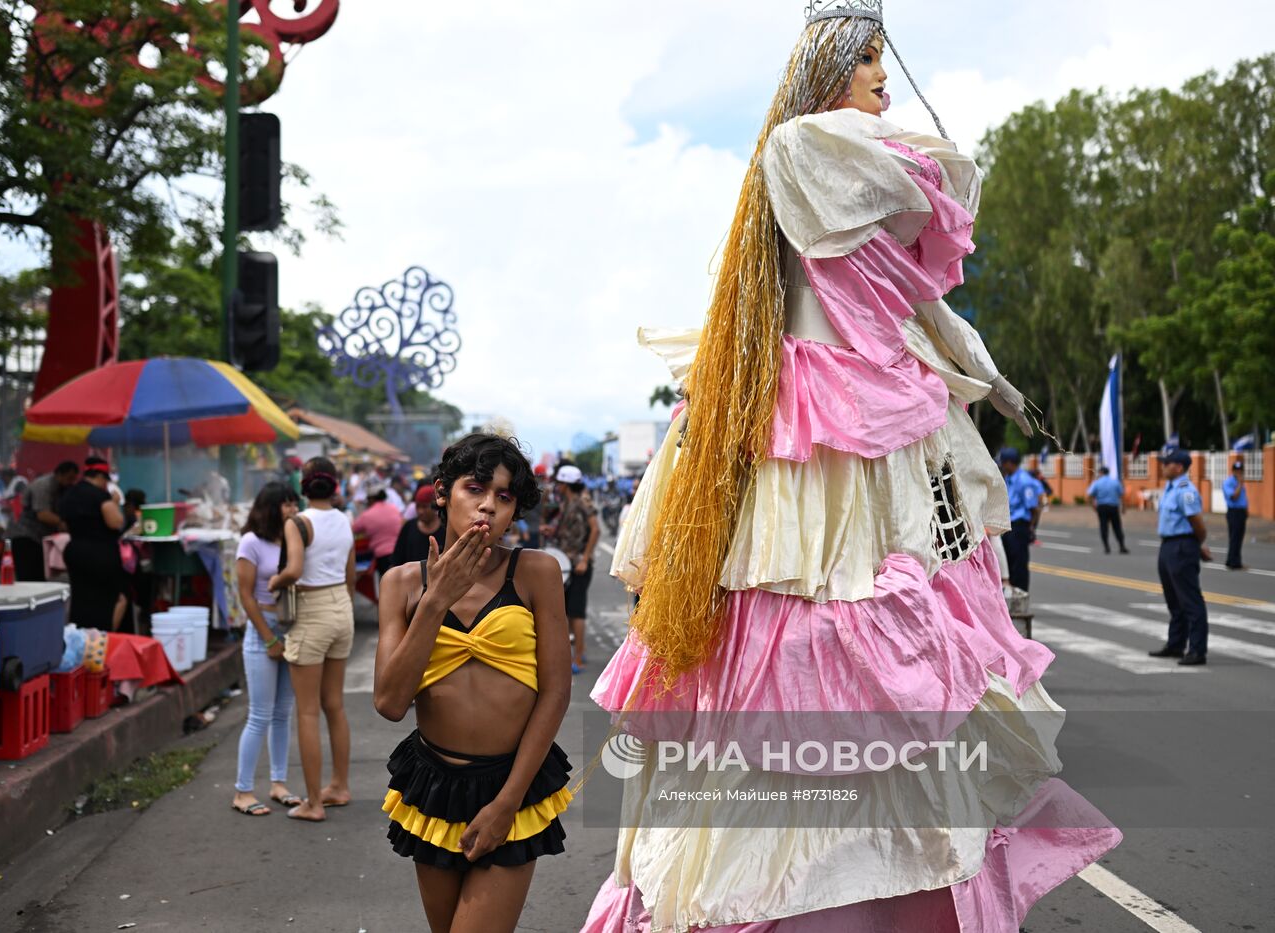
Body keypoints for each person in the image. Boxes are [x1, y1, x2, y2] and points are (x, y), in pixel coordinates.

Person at [580, 4, 1120, 928]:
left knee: (881, 626)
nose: (882, 74)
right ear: (825, 68)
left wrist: (985, 379)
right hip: (817, 422)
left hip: (880, 409)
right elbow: (943, 174)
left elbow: (927, 302)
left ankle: (879, 857)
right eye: (865, 58)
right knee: (810, 614)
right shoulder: (802, 149)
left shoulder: (836, 165)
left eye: (881, 56)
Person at [373, 433, 570, 933]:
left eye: (504, 497)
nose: (488, 505)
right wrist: (435, 601)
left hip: (511, 783)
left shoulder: (536, 572)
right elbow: (390, 701)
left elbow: (555, 692)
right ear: (442, 492)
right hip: (434, 786)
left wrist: (507, 801)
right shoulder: (401, 583)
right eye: (475, 488)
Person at [268, 457, 356, 823]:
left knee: (306, 711)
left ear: (303, 484)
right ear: (334, 485)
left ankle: (314, 803)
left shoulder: (298, 522)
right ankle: (338, 786)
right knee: (333, 705)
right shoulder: (344, 520)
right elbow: (350, 575)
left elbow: (294, 570)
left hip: (312, 610)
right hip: (341, 607)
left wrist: (273, 584)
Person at [232, 483, 302, 817]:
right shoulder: (251, 542)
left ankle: (279, 783)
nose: (291, 509)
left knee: (282, 713)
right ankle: (242, 791)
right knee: (259, 714)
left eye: (294, 503)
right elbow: (245, 596)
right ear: (269, 507)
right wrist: (268, 639)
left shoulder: (293, 540)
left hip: (290, 628)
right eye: (285, 504)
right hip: (263, 632)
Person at [1149, 449, 1210, 666]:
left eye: (1167, 463)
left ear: (1179, 467)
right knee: (1174, 600)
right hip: (1168, 546)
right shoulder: (1170, 487)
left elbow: (1198, 524)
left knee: (1190, 600)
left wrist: (1197, 544)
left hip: (1182, 546)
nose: (1163, 466)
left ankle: (1197, 650)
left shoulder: (1185, 490)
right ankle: (1176, 644)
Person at [59, 457, 127, 631]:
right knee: (115, 598)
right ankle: (104, 641)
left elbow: (64, 522)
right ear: (100, 477)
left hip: (75, 552)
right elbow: (115, 522)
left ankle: (81, 640)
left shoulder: (69, 494)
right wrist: (114, 503)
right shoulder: (100, 495)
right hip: (100, 553)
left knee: (82, 599)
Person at [550, 464, 598, 675]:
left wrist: (585, 559)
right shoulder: (567, 503)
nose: (556, 486)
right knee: (568, 610)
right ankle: (575, 651)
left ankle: (579, 656)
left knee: (576, 612)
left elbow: (596, 529)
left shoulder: (582, 501)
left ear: (565, 484)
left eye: (559, 483)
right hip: (567, 564)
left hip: (578, 565)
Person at [12, 461, 80, 581]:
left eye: (74, 479)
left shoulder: (62, 488)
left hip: (41, 539)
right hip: (26, 537)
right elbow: (43, 514)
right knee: (29, 579)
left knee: (40, 579)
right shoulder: (43, 485)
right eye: (69, 478)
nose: (71, 482)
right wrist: (62, 523)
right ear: (59, 474)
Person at [998, 448, 1042, 591]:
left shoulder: (1024, 481)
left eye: (1003, 463)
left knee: (1019, 563)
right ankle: (1011, 594)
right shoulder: (1009, 478)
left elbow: (1034, 509)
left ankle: (1021, 593)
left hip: (1019, 525)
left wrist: (1031, 528)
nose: (1002, 466)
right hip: (1009, 525)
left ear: (1010, 463)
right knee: (1009, 562)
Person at [382, 484, 447, 574]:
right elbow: (397, 560)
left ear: (434, 505)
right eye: (418, 507)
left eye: (424, 507)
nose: (420, 511)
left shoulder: (445, 528)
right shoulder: (409, 527)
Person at [353, 479, 406, 579]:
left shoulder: (367, 515)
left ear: (371, 499)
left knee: (387, 585)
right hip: (398, 552)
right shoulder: (393, 508)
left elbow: (353, 529)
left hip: (382, 557)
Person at [1086, 465, 1129, 555]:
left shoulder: (1097, 482)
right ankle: (1122, 546)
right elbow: (1122, 495)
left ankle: (1106, 547)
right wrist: (1124, 507)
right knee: (1117, 527)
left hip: (1102, 507)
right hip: (1113, 507)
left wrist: (1093, 506)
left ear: (1101, 473)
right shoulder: (1115, 482)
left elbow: (1090, 495)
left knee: (1103, 527)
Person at [1223, 458, 1249, 569]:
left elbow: (1243, 499)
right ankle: (1234, 563)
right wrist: (1239, 484)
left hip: (1241, 512)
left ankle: (1232, 561)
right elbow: (1234, 497)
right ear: (1233, 471)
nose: (1239, 472)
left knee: (1239, 537)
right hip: (1233, 512)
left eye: (1241, 470)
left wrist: (1246, 510)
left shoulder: (1240, 483)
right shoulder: (1229, 482)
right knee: (1234, 537)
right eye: (1237, 470)